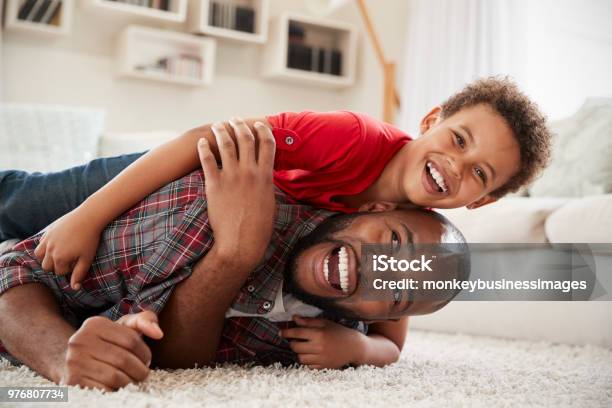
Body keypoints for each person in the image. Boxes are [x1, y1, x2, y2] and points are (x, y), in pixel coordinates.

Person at [0, 122, 469, 392]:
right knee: (18, 198)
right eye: (391, 243)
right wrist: (62, 357)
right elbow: (13, 268)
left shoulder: (336, 334)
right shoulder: (198, 207)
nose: (374, 270)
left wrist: (363, 350)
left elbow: (183, 361)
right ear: (374, 208)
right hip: (143, 180)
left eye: (397, 291)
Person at [0, 76, 551, 291]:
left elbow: (392, 330)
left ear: (480, 200)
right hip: (159, 178)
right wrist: (87, 217)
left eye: (479, 172)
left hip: (177, 235)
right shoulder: (351, 138)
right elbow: (200, 139)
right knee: (26, 202)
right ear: (430, 121)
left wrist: (361, 350)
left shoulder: (418, 232)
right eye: (459, 139)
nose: (457, 166)